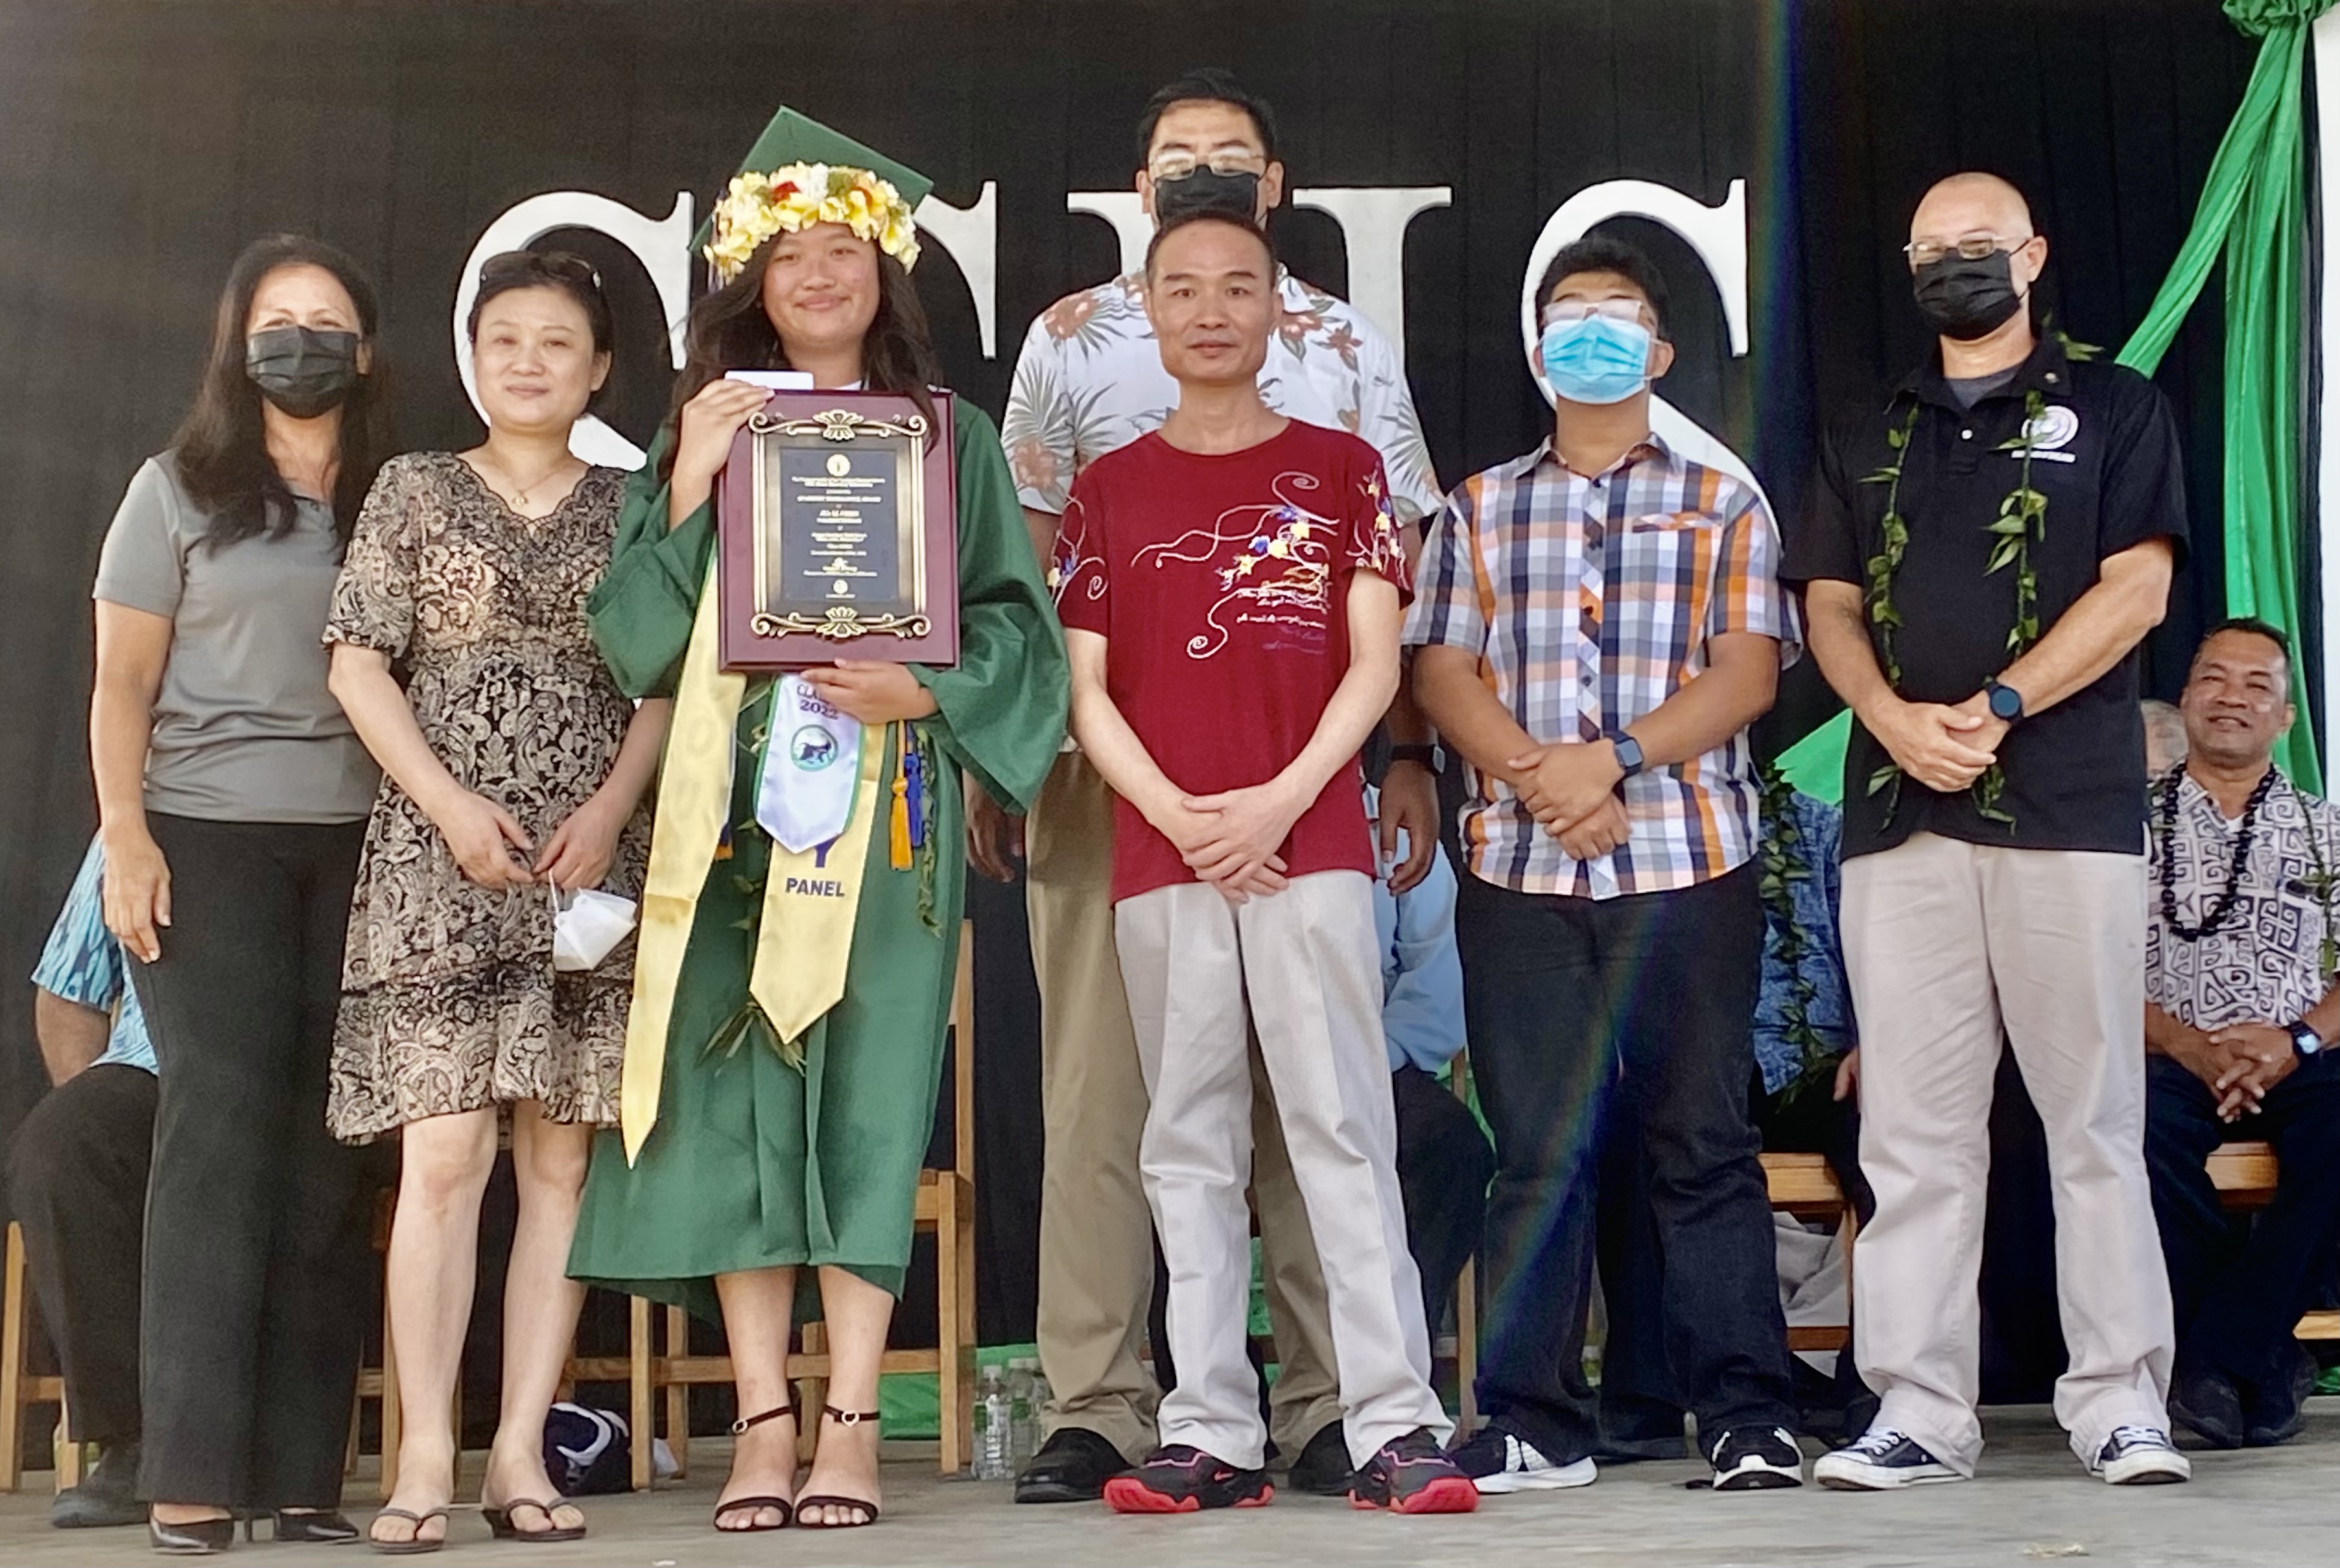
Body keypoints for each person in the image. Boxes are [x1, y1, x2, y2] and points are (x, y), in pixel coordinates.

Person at [565, 110, 1067, 1534]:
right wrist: (682, 483)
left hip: (891, 827)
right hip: (727, 821)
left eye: (843, 249)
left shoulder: (950, 441)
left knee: (864, 1110)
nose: (819, 272)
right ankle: (759, 1427)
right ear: (752, 281)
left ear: (885, 273)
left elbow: (1021, 638)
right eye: (790, 254)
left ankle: (850, 1418)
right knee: (732, 1113)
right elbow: (631, 647)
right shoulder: (705, 427)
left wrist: (931, 693)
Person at [999, 64, 1445, 1506]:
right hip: (1147, 826)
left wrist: (1304, 790)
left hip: (1303, 818)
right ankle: (1191, 1422)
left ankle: (1376, 1415)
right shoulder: (1090, 410)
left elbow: (1381, 646)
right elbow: (1069, 653)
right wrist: (1175, 810)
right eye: (1181, 285)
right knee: (1163, 1128)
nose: (1208, 307)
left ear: (1274, 270)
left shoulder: (1340, 416)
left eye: (1235, 283)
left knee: (1332, 1122)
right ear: (1142, 246)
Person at [1788, 171, 2190, 1488]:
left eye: (1979, 244)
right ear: (1907, 268)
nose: (1955, 262)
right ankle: (1917, 1411)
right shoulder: (1866, 420)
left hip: (2066, 809)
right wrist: (1889, 718)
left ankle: (2119, 1400)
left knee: (2092, 1122)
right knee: (1911, 1130)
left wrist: (2000, 703)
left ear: (2031, 254)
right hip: (1900, 811)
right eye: (1931, 248)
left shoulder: (2114, 407)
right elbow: (1827, 605)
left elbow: (2136, 590)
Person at [1407, 233, 1805, 1494]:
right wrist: (1542, 774)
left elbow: (1746, 671)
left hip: (1686, 859)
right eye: (1570, 316)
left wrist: (1613, 759)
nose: (1592, 334)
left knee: (1700, 1140)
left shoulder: (1723, 501)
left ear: (1660, 350)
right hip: (1519, 873)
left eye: (1617, 316)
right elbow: (1437, 672)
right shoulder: (1475, 507)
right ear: (1537, 354)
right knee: (1538, 1147)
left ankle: (1745, 1412)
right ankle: (1529, 1414)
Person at [322, 251, 666, 1549]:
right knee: (446, 1155)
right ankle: (421, 1456)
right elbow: (359, 663)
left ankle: (521, 1451)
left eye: (558, 341)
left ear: (600, 367)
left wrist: (612, 812)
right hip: (443, 856)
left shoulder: (638, 504)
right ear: (473, 354)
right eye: (505, 337)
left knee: (561, 1161)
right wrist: (447, 805)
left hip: (584, 856)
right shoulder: (412, 488)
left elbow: (665, 682)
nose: (529, 360)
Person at [91, 233, 390, 1553]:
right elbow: (119, 688)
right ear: (239, 342)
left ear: (366, 352)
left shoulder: (401, 494)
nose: (303, 340)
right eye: (279, 319)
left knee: (331, 1155)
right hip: (204, 841)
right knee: (215, 1143)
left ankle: (302, 1476)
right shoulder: (176, 489)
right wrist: (126, 836)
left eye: (327, 321)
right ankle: (194, 1476)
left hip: (368, 852)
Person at [2142, 620, 2340, 1449]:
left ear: (2287, 717)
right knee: (2123, 1129)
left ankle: (2217, 1360)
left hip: (2301, 1055)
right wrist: (2188, 1043)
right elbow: (2081, 971)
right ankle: (2262, 1357)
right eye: (2214, 679)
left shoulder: (2328, 828)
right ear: (2185, 699)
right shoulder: (2120, 828)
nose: (2232, 697)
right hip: (2163, 1053)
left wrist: (2295, 1040)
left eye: (2257, 684)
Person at [8, 839, 158, 1531]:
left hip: (313, 1080)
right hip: (155, 1070)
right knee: (66, 1144)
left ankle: (274, 1453)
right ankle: (132, 1441)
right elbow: (69, 991)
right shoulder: (134, 817)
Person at [1365, 777, 1495, 1337]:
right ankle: (1212, 1396)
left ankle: (1396, 1352)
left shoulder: (1394, 824)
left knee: (1454, 1149)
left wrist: (1368, 1058)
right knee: (1171, 1155)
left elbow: (1439, 978)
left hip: (1370, 1062)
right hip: (1236, 1066)